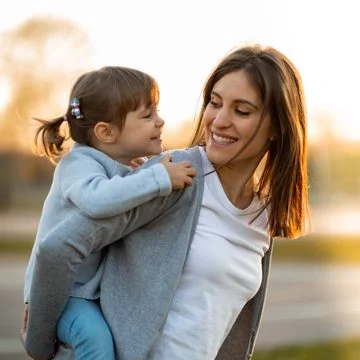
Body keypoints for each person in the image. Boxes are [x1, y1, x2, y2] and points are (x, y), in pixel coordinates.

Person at [22, 43, 309, 360]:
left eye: (242, 111)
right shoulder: (172, 177)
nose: (218, 120)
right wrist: (37, 342)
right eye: (215, 103)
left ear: (278, 128)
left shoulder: (262, 215)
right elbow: (57, 248)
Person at [22, 66, 197, 360]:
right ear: (106, 132)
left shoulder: (128, 165)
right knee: (96, 339)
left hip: (88, 292)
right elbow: (98, 201)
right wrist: (158, 179)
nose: (160, 121)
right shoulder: (78, 164)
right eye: (147, 115)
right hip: (62, 296)